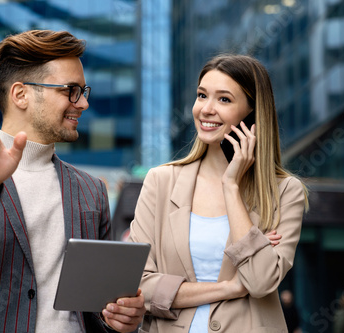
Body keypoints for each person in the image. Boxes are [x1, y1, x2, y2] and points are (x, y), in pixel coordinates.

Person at [0, 30, 145, 333]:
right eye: (70, 90)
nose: (83, 104)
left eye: (83, 91)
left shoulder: (92, 190)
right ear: (20, 94)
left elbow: (95, 308)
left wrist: (121, 320)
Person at [128, 54, 308, 332]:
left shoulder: (285, 192)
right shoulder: (160, 181)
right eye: (202, 96)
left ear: (252, 112)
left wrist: (231, 186)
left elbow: (260, 283)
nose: (206, 109)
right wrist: (231, 287)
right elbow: (139, 285)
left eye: (224, 99)